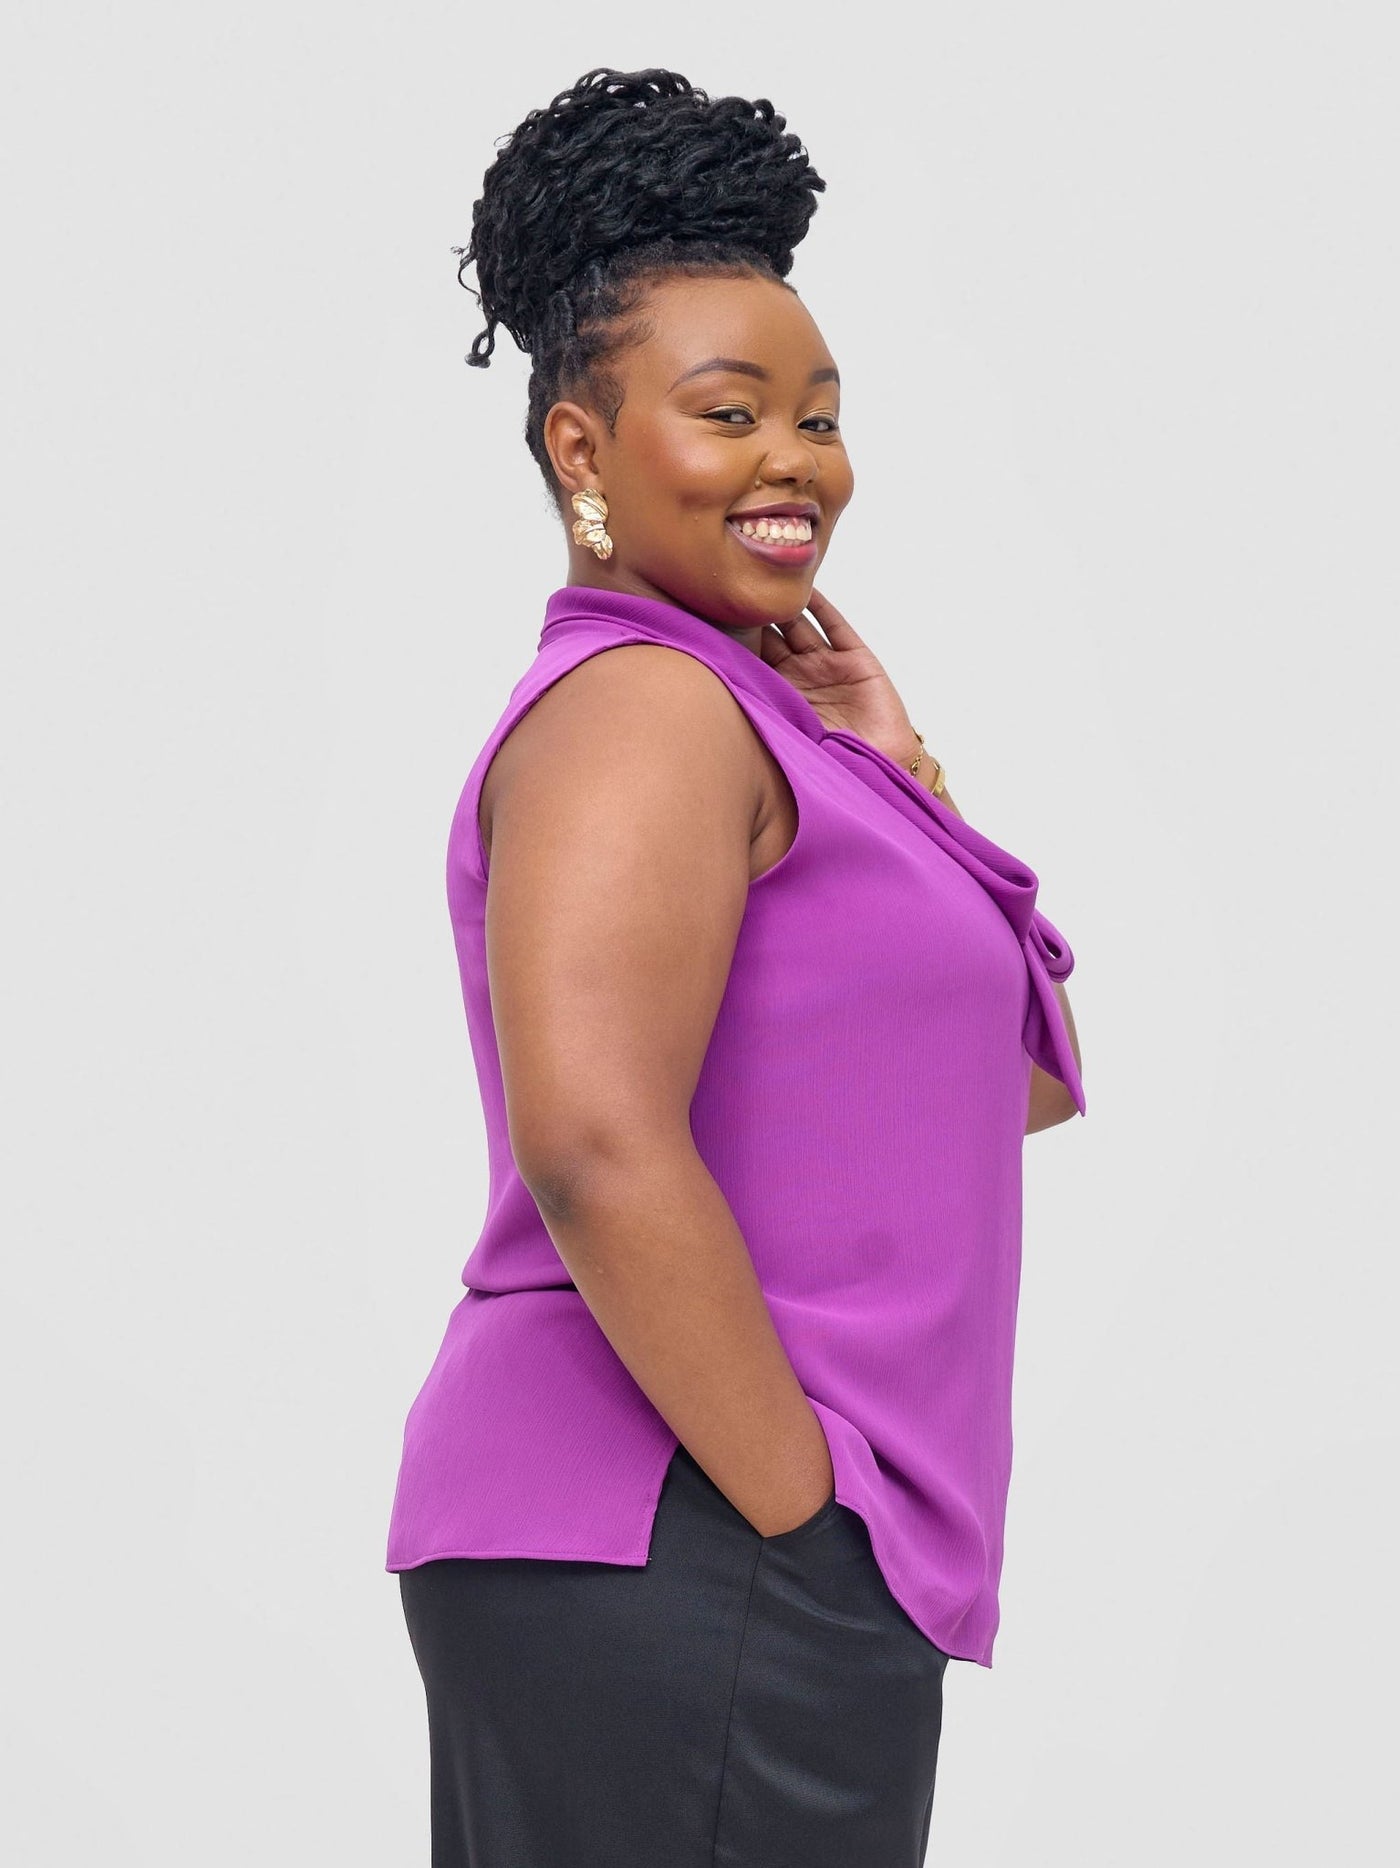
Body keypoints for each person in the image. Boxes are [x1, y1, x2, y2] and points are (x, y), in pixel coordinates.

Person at [386, 66, 1086, 1868]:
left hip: (719, 1537)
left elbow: (997, 1089)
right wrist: (799, 1506)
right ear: (582, 451)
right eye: (729, 412)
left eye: (820, 417)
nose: (796, 460)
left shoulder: (762, 731)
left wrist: (905, 776)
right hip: (685, 1520)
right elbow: (593, 1141)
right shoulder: (644, 705)